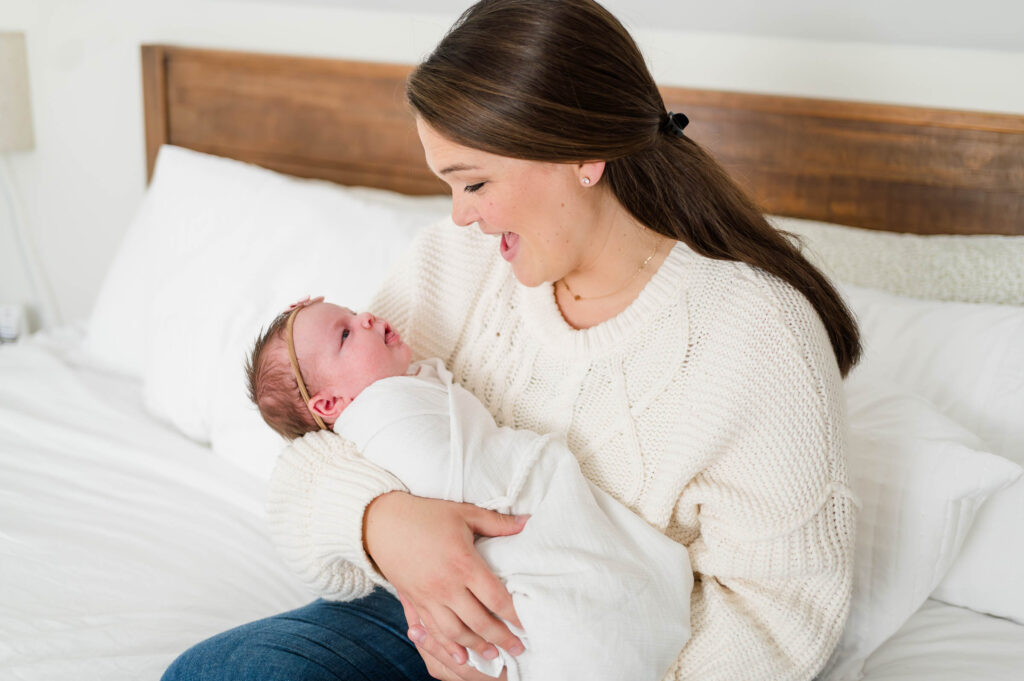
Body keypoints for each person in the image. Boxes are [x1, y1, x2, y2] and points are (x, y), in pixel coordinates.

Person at [162, 1, 860, 680]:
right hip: (427, 610)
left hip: (606, 650)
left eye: (473, 183)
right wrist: (383, 524)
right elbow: (316, 444)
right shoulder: (454, 264)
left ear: (583, 155)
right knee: (217, 673)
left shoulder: (759, 336)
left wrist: (570, 660)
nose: (460, 216)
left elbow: (776, 615)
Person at [240, 295, 692, 681]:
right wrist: (382, 525)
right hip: (452, 583)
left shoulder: (391, 379)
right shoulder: (378, 416)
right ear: (329, 404)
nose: (367, 318)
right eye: (345, 333)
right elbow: (307, 482)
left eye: (354, 314)